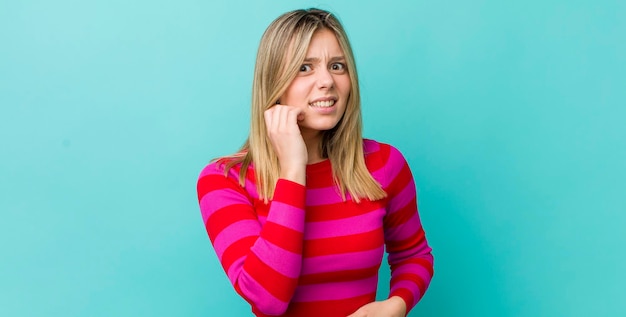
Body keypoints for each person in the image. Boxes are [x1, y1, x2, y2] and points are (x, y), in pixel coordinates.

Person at [197, 8, 434, 317]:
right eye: (305, 67)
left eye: (337, 66)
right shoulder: (225, 180)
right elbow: (267, 300)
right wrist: (293, 169)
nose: (327, 81)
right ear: (274, 82)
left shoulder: (384, 164)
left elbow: (413, 255)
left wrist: (394, 306)